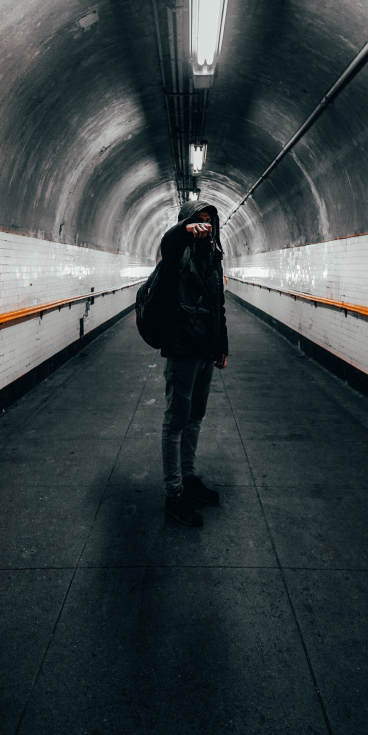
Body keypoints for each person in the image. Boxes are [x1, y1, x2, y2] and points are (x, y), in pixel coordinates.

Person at [158, 200, 228, 526]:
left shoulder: (215, 258)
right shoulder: (177, 255)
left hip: (205, 352)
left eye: (209, 221)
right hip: (182, 350)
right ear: (187, 222)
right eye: (198, 220)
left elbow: (218, 304)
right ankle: (174, 495)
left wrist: (222, 344)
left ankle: (188, 478)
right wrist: (183, 232)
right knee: (175, 422)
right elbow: (167, 244)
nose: (204, 226)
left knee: (195, 418)